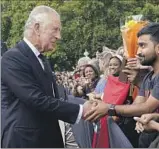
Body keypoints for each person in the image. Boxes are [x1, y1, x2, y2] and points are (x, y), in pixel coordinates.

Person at [1, 5, 93, 148]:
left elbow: (52, 99)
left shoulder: (42, 59)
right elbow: (35, 99)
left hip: (46, 138)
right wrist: (81, 109)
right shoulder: (12, 58)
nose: (59, 36)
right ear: (37, 28)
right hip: (24, 141)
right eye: (55, 29)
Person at [84, 23, 159, 146]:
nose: (138, 52)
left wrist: (109, 108)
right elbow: (138, 106)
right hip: (150, 137)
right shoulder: (149, 76)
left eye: (142, 46)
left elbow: (146, 107)